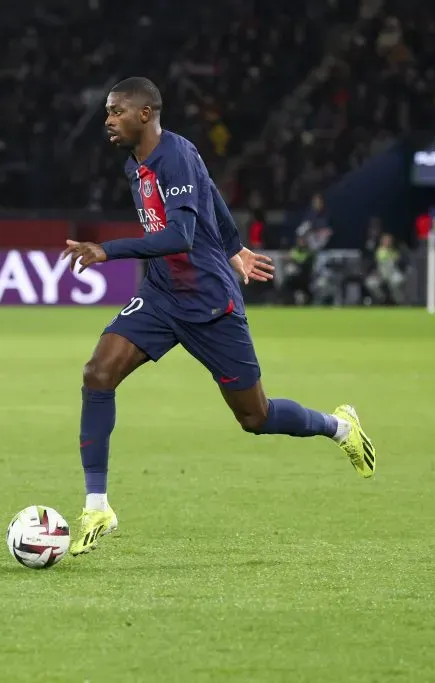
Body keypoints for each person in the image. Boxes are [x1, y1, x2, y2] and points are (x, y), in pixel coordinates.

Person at [60, 78, 375, 557]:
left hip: (210, 305)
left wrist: (108, 250)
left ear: (145, 114)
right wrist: (235, 246)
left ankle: (340, 427)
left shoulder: (176, 156)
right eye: (107, 111)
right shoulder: (136, 163)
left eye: (116, 111)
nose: (107, 120)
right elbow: (213, 195)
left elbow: (180, 236)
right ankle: (98, 505)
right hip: (163, 296)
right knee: (97, 374)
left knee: (256, 416)